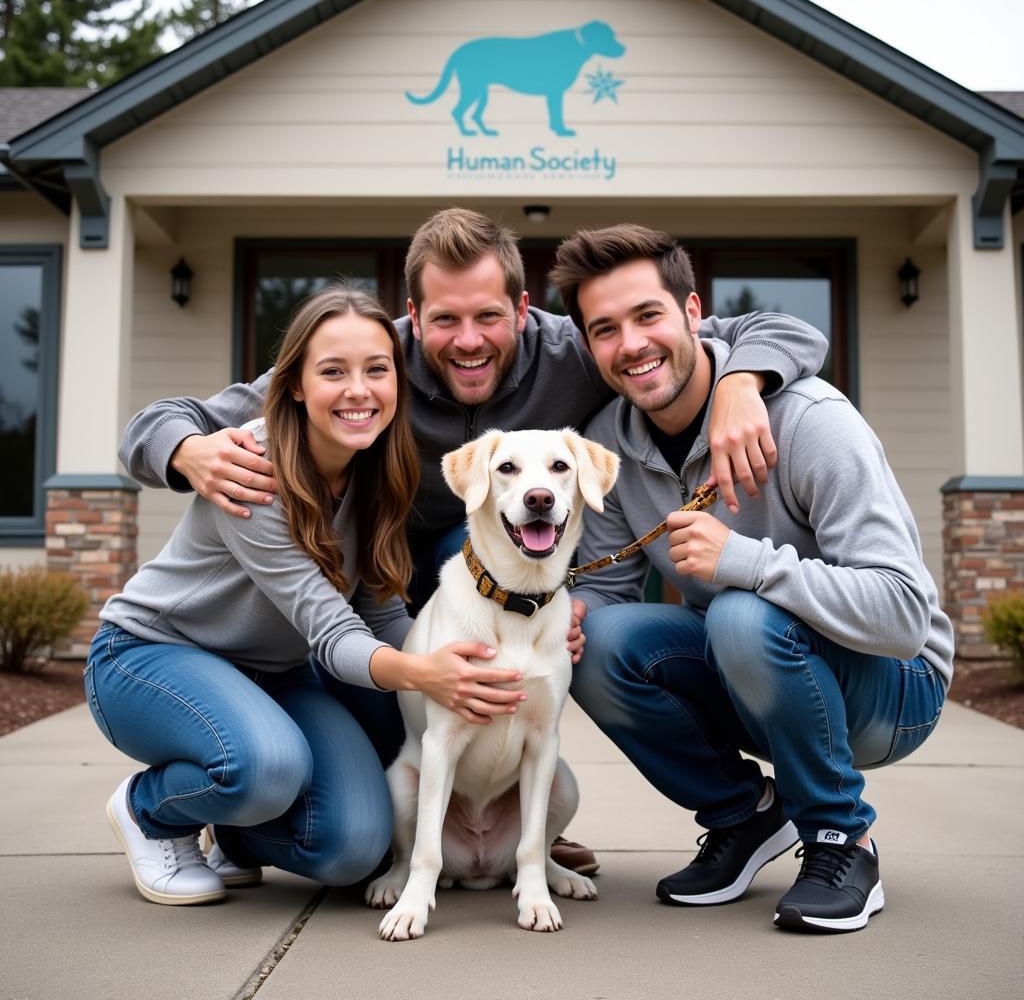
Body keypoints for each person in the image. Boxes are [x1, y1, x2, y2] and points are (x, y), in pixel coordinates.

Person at [118, 208, 829, 873]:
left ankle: (486, 810)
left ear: (522, 312)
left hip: (403, 584)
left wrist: (741, 380)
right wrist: (187, 451)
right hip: (383, 594)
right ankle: (208, 797)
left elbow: (780, 331)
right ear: (412, 319)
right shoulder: (366, 366)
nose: (468, 340)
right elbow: (158, 421)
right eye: (444, 319)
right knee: (419, 622)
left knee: (352, 834)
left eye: (489, 316)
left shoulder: (577, 353)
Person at [548, 224, 954, 933]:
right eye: (605, 329)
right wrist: (573, 614)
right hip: (763, 677)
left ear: (694, 312)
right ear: (589, 346)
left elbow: (903, 617)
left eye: (648, 315)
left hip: (894, 690)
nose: (631, 344)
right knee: (596, 639)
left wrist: (746, 563)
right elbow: (610, 591)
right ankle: (747, 817)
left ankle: (841, 839)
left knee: (739, 612)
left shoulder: (812, 421)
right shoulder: (609, 444)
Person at [86, 286, 527, 906]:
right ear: (293, 384)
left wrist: (473, 658)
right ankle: (151, 810)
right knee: (266, 768)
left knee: (356, 850)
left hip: (277, 677)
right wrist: (424, 673)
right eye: (332, 372)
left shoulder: (378, 468)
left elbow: (377, 611)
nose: (358, 390)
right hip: (149, 657)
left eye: (377, 370)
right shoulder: (254, 464)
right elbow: (331, 630)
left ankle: (236, 836)